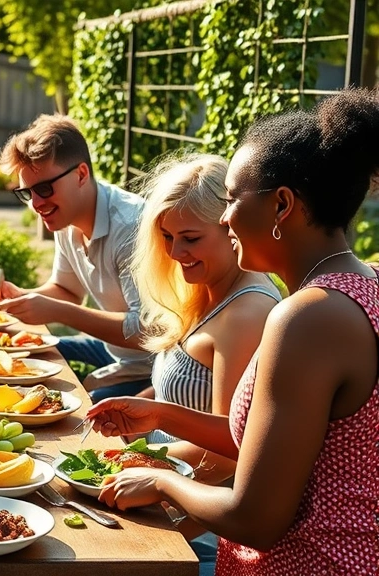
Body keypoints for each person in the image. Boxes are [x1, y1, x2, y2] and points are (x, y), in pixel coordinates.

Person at [89, 88, 379, 575]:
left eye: (230, 201)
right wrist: (161, 413)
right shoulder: (357, 285)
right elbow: (266, 443)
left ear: (282, 205)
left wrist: (162, 484)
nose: (224, 218)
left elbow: (254, 517)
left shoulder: (308, 317)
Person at [133, 152, 279, 480]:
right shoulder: (204, 288)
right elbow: (174, 393)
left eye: (191, 238)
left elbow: (228, 453)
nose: (173, 253)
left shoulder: (247, 314)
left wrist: (130, 460)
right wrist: (130, 413)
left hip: (189, 511)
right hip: (158, 480)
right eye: (167, 237)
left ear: (230, 226)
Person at [0, 114, 154, 401]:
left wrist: (56, 311)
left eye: (44, 189)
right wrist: (22, 298)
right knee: (19, 352)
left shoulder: (131, 227)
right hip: (113, 349)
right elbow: (67, 291)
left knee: (80, 412)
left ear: (81, 174)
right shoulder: (65, 217)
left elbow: (147, 331)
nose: (37, 204)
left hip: (153, 367)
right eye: (27, 193)